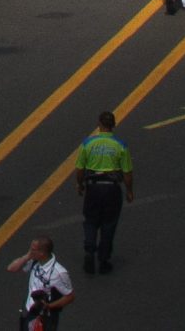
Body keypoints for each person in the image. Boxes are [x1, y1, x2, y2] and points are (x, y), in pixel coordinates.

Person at [72, 109, 134, 275]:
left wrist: (80, 185)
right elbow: (127, 172)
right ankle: (104, 259)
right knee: (109, 224)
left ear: (99, 124)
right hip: (112, 188)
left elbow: (79, 169)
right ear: (113, 125)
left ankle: (90, 250)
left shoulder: (88, 143)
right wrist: (129, 191)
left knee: (91, 221)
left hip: (93, 187)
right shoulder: (120, 145)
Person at [6, 234, 75, 330]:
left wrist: (49, 306)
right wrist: (27, 256)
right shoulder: (34, 261)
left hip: (45, 316)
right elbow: (11, 268)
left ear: (42, 253)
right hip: (28, 310)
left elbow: (70, 296)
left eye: (33, 249)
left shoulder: (59, 273)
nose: (30, 251)